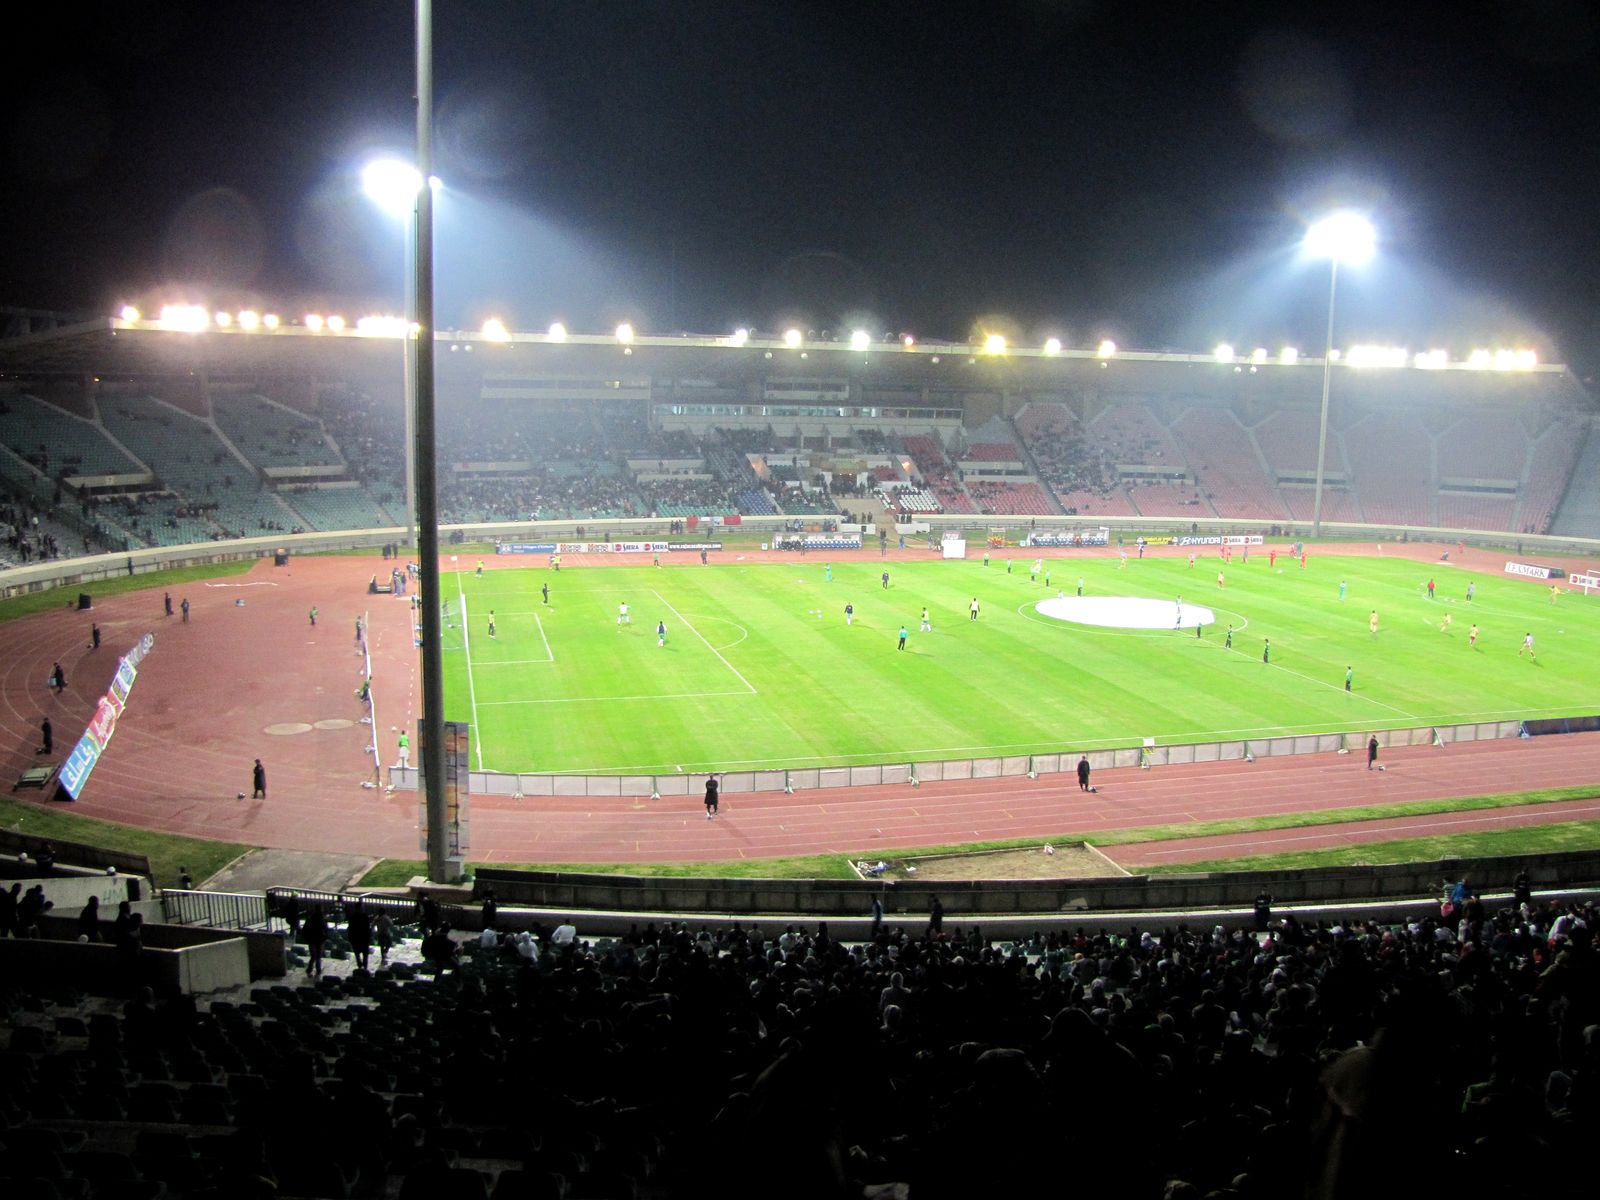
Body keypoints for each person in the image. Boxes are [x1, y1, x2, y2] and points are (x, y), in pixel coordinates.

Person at [303, 906, 328, 976]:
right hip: (320, 940)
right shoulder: (323, 919)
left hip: (311, 939)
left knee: (313, 955)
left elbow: (304, 930)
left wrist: (307, 938)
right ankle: (318, 969)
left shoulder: (310, 919)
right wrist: (325, 938)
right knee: (318, 956)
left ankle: (310, 969)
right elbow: (326, 930)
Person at [347, 902, 372, 972]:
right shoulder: (364, 917)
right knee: (361, 955)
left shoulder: (353, 917)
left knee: (361, 955)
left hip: (361, 939)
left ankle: (362, 968)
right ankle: (363, 968)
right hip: (359, 939)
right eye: (362, 907)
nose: (363, 909)